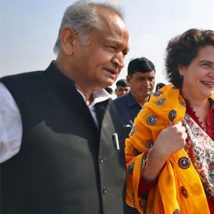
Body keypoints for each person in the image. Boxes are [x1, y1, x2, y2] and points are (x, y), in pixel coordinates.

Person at [124, 29, 214, 214]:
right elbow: (130, 187)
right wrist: (158, 154)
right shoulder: (155, 115)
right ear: (182, 67)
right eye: (206, 65)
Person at [0, 1, 129, 214]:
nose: (120, 61)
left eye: (124, 52)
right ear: (70, 40)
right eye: (112, 47)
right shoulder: (11, 98)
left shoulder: (108, 109)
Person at [113, 57, 156, 151]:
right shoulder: (113, 109)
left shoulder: (163, 107)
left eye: (151, 79)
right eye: (141, 79)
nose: (147, 84)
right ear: (129, 80)